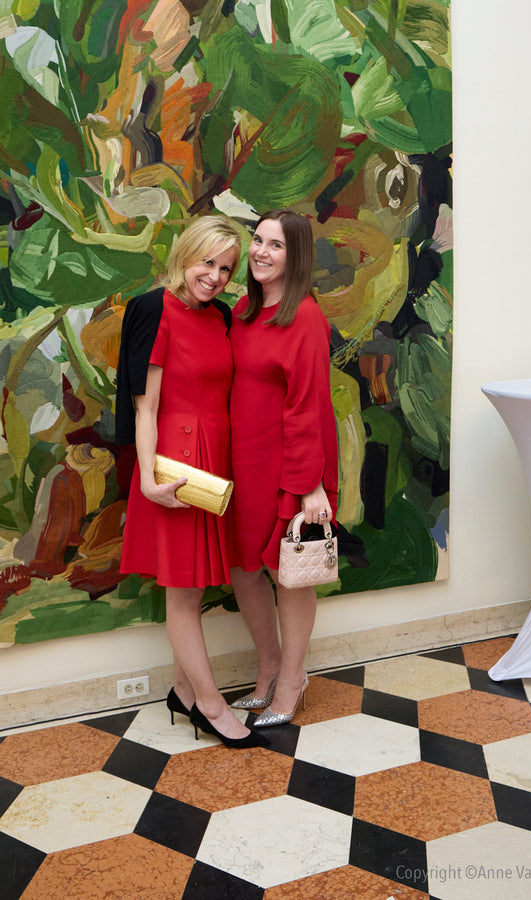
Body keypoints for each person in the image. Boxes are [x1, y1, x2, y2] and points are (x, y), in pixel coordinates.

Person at [116, 215, 268, 749]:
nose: (217, 276)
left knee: (199, 584)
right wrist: (151, 477)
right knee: (182, 594)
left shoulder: (222, 317)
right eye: (208, 262)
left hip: (215, 459)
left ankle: (184, 689)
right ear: (186, 254)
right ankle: (210, 705)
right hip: (175, 466)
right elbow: (145, 405)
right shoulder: (154, 308)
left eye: (227, 268)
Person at [228, 209, 338, 726]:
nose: (261, 252)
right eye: (257, 240)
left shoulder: (306, 317)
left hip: (287, 464)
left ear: (296, 258)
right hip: (241, 462)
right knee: (243, 568)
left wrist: (311, 485)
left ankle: (292, 680)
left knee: (289, 576)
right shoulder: (243, 313)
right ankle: (268, 666)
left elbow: (309, 404)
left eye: (276, 245)